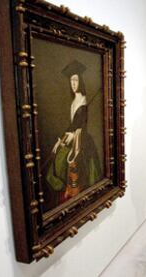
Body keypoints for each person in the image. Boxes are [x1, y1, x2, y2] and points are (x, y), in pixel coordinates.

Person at [45, 60, 102, 205]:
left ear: (80, 81)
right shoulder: (74, 101)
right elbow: (72, 125)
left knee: (65, 159)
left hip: (81, 138)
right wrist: (60, 139)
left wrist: (71, 136)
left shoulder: (83, 101)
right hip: (72, 134)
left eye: (76, 80)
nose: (73, 83)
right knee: (57, 154)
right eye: (71, 80)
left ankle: (72, 189)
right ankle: (64, 187)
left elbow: (79, 125)